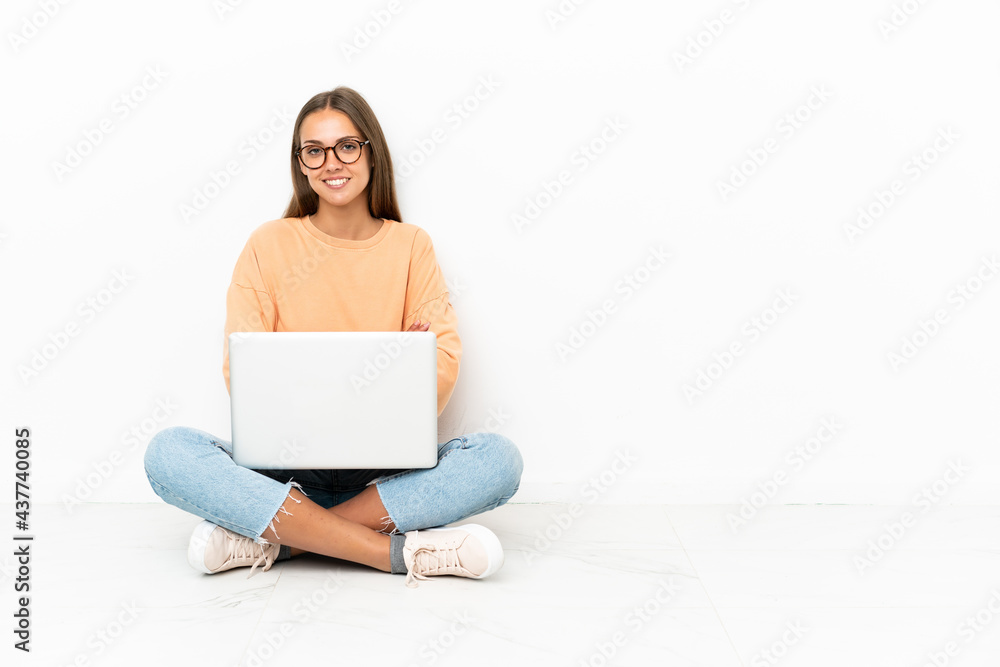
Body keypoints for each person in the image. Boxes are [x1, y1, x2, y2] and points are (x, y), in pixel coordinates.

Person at [143, 86, 523, 588]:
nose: (331, 162)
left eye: (347, 146)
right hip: (284, 474)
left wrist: (407, 368)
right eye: (314, 150)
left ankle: (280, 539)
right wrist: (388, 364)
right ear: (301, 164)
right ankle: (393, 552)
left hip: (384, 478)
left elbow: (442, 363)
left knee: (498, 460)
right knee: (167, 453)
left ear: (371, 152)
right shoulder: (268, 243)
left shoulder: (411, 246)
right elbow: (245, 367)